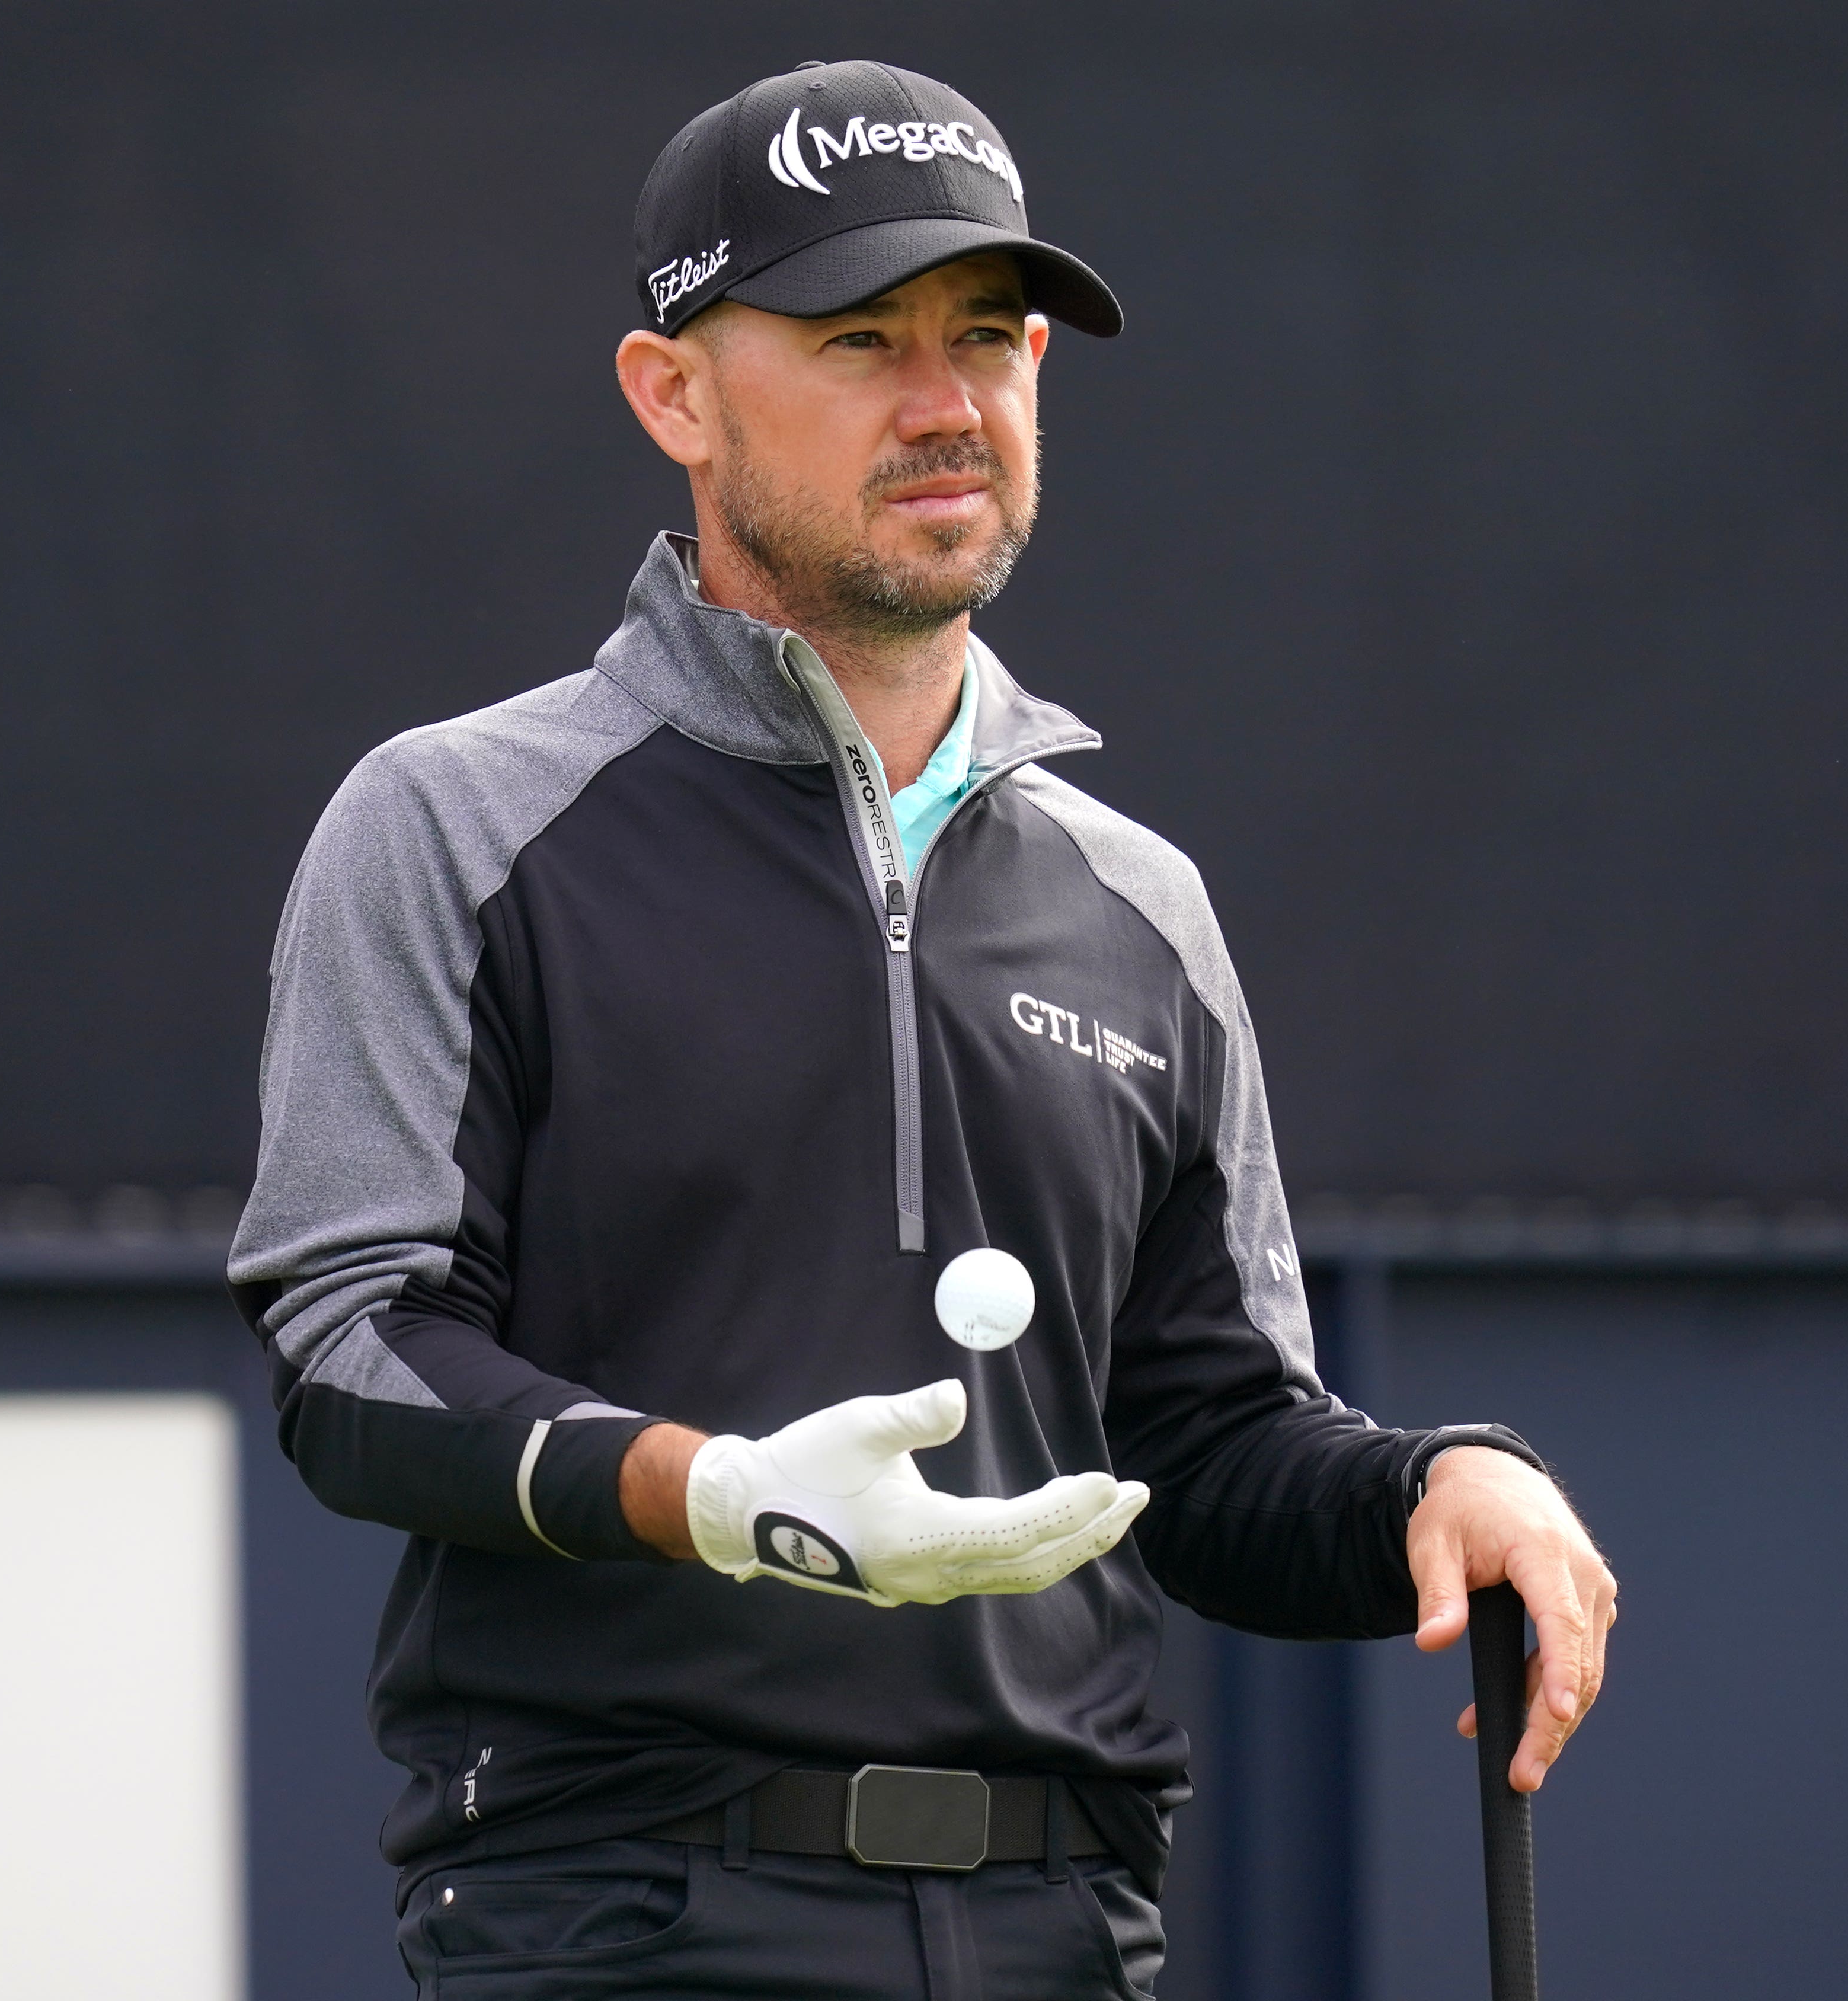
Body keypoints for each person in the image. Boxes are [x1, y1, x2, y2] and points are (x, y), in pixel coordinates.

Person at [230, 57, 1617, 2000]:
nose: (949, 401)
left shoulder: (1143, 906)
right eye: (862, 337)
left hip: (1074, 1923)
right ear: (675, 395)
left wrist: (1432, 1481)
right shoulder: (457, 824)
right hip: (625, 1915)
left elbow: (1207, 1448)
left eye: (990, 339)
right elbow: (354, 1350)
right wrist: (722, 1499)